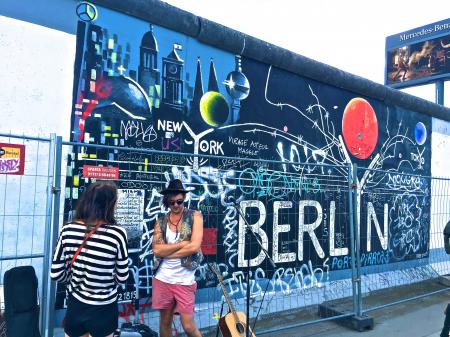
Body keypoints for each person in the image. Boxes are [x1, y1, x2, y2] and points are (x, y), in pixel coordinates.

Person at [51, 181, 129, 337]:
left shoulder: (68, 230)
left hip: (75, 304)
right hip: (104, 308)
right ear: (110, 204)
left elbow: (56, 273)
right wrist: (104, 280)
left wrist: (75, 280)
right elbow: (122, 276)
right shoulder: (117, 234)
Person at [152, 179, 203, 337]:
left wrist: (167, 251)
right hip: (163, 278)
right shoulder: (161, 222)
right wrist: (183, 244)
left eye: (179, 201)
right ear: (167, 201)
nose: (175, 205)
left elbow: (194, 246)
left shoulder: (195, 216)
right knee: (165, 324)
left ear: (184, 199)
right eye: (172, 202)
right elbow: (156, 250)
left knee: (188, 326)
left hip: (184, 280)